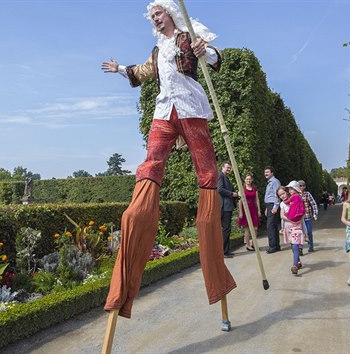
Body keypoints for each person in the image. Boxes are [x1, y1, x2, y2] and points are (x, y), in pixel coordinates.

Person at [100, 0, 235, 319]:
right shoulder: (158, 50)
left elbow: (215, 57)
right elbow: (142, 72)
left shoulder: (187, 38)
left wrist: (207, 52)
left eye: (158, 14)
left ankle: (209, 228)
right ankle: (138, 210)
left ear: (170, 14)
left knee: (207, 171)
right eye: (152, 17)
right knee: (150, 163)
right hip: (164, 112)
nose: (155, 20)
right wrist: (120, 69)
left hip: (190, 108)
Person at [280, 181, 306, 275]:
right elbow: (282, 216)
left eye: (283, 193)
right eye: (280, 195)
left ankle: (295, 265)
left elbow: (303, 211)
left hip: (296, 226)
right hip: (288, 227)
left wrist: (299, 220)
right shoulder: (283, 204)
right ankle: (298, 262)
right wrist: (292, 221)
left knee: (295, 245)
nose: (282, 196)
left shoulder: (296, 198)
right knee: (293, 246)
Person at [218, 161, 238, 258]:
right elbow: (220, 189)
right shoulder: (220, 176)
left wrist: (235, 193)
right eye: (227, 168)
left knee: (227, 229)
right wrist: (232, 194)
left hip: (227, 207)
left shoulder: (225, 177)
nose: (229, 169)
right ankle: (224, 252)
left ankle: (226, 250)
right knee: (226, 229)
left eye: (230, 168)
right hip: (224, 207)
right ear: (222, 167)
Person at [237, 173, 261, 251]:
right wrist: (240, 212)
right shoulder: (242, 189)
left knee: (255, 228)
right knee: (247, 228)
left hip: (253, 209)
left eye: (250, 179)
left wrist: (259, 210)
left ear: (252, 180)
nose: (248, 180)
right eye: (247, 179)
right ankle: (248, 245)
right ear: (245, 180)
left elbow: (257, 199)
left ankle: (254, 244)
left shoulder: (254, 188)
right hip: (245, 209)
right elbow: (240, 201)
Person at [263, 166, 281, 253]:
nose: (265, 174)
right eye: (265, 172)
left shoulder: (275, 182)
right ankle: (276, 246)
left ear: (272, 173)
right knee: (273, 226)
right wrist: (267, 208)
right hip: (269, 206)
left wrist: (275, 207)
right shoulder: (270, 182)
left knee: (270, 226)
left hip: (273, 205)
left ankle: (273, 246)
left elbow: (277, 195)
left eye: (267, 172)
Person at [297, 180, 318, 252]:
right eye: (300, 185)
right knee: (299, 233)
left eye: (303, 185)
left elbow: (313, 204)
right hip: (298, 218)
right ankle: (300, 249)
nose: (302, 187)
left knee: (309, 232)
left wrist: (315, 214)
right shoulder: (295, 195)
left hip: (307, 216)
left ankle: (311, 246)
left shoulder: (307, 194)